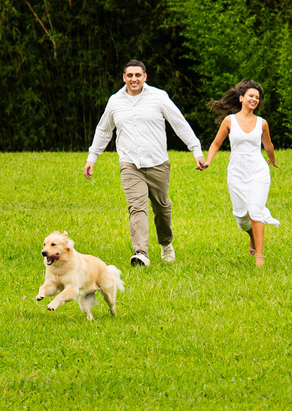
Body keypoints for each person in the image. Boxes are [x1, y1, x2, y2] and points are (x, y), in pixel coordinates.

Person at [84, 60, 206, 267]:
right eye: (130, 75)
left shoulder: (158, 97)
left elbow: (179, 122)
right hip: (130, 164)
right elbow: (104, 130)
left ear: (145, 77)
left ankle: (166, 243)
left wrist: (196, 149)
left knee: (162, 207)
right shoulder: (115, 101)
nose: (134, 79)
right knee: (137, 207)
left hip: (158, 162)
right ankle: (141, 253)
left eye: (138, 75)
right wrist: (92, 157)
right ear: (124, 77)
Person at [202, 80, 279, 267]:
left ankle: (259, 257)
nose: (254, 99)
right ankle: (251, 235)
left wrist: (273, 159)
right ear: (241, 98)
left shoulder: (262, 123)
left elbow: (268, 145)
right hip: (236, 173)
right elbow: (216, 144)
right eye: (251, 96)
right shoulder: (230, 121)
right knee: (241, 217)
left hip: (258, 172)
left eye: (257, 98)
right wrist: (208, 161)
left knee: (255, 210)